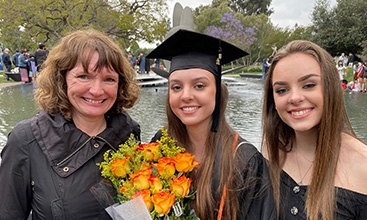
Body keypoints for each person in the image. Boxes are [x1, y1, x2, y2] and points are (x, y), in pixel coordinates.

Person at [0, 29, 141, 219]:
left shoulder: (129, 132)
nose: (97, 91)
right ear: (61, 79)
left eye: (109, 79)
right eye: (83, 76)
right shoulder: (26, 140)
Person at [147, 29, 275, 220]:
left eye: (199, 85)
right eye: (176, 87)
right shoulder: (161, 144)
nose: (186, 95)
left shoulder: (244, 160)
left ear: (218, 91)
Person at [262, 40, 367, 220]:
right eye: (282, 90)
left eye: (309, 85)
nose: (295, 98)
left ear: (331, 88)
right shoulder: (272, 150)